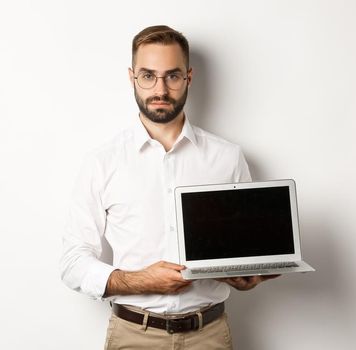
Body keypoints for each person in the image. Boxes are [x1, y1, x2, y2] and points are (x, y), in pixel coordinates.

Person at [60, 25, 278, 350]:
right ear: (132, 77)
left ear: (188, 77)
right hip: (133, 335)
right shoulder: (101, 163)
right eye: (148, 76)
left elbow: (242, 252)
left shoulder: (227, 157)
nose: (160, 89)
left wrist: (247, 275)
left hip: (210, 335)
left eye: (172, 76)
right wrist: (137, 281)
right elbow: (73, 263)